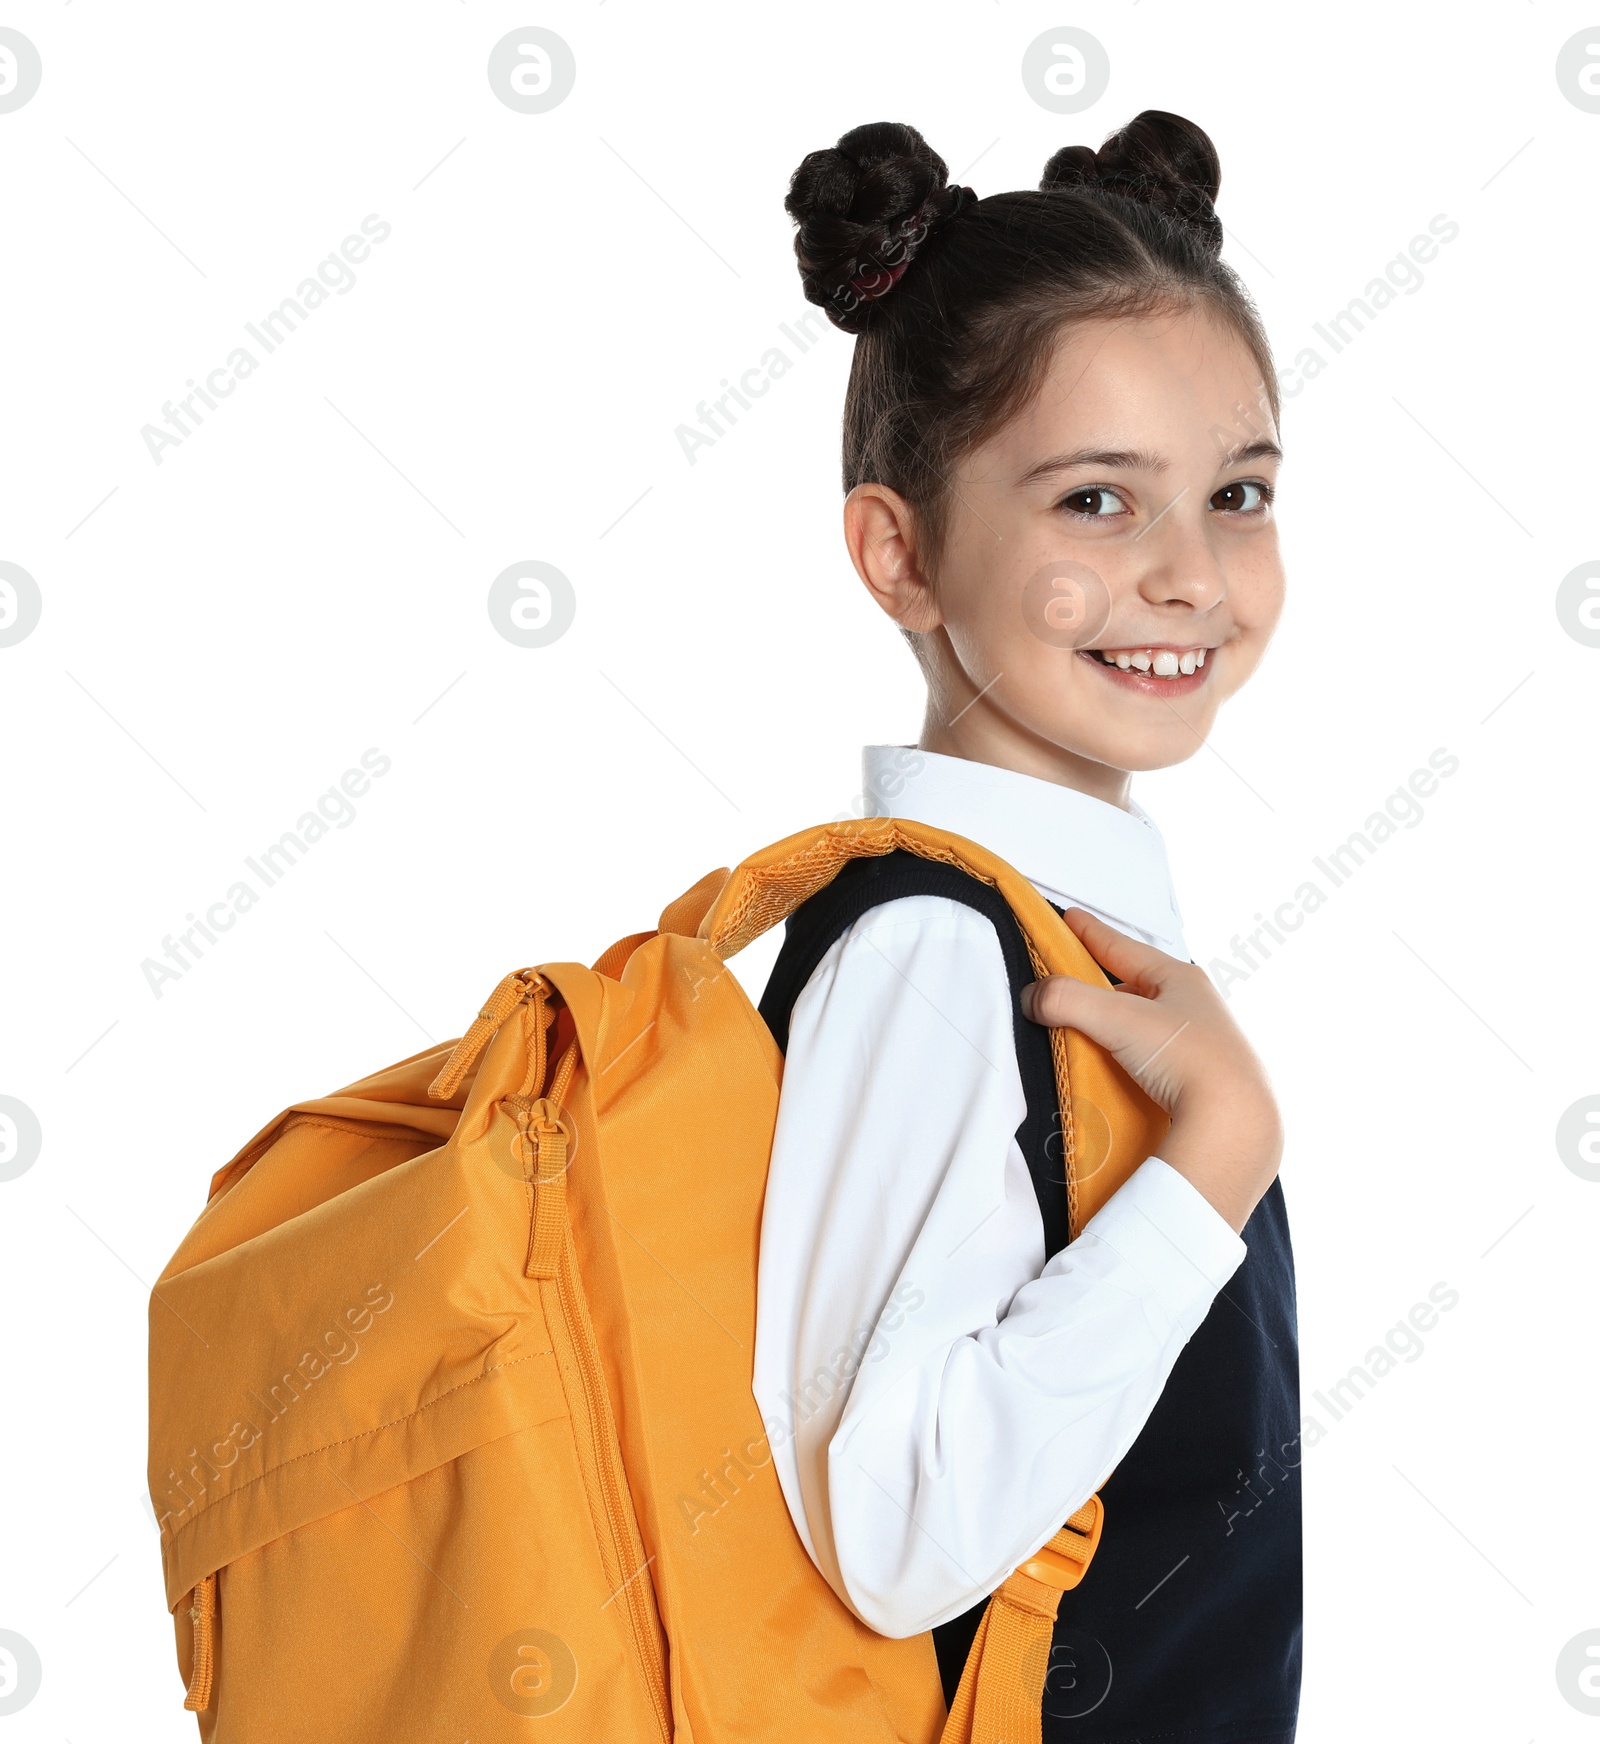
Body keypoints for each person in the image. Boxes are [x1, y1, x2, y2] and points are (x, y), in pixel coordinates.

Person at [751, 112, 1301, 1742]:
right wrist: (1221, 1158)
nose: (1193, 574)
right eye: (1096, 504)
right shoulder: (928, 952)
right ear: (899, 551)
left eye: (1239, 491)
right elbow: (895, 1528)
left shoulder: (1056, 935)